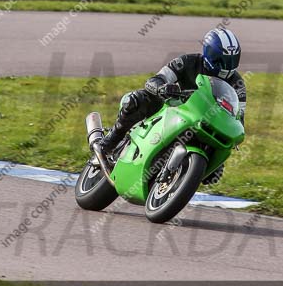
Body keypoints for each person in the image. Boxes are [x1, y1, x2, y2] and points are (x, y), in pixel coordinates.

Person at [100, 29, 246, 183]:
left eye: (232, 61)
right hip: (173, 108)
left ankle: (181, 176)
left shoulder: (238, 84)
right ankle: (111, 140)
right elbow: (155, 79)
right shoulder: (187, 61)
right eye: (220, 60)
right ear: (208, 53)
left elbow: (239, 118)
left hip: (207, 124)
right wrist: (162, 88)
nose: (227, 66)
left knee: (214, 173)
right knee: (136, 101)